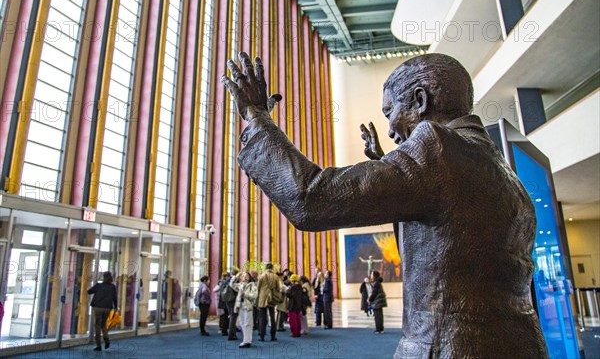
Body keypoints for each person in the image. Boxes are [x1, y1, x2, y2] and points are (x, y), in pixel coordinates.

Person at [222, 52, 548, 358]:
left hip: (451, 347)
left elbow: (309, 198)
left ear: (420, 101)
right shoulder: (504, 174)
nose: (390, 129)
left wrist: (256, 117)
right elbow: (447, 243)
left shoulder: (435, 148)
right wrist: (386, 163)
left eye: (390, 112)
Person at [87, 271, 118, 351]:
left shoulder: (99, 285)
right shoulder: (113, 287)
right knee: (103, 324)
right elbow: (115, 297)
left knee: (97, 325)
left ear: (103, 277)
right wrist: (116, 306)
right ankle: (106, 338)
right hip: (108, 307)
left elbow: (89, 292)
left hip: (98, 307)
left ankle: (98, 345)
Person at [230, 271, 258, 348]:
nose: (244, 277)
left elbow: (254, 296)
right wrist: (235, 277)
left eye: (246, 276)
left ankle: (247, 341)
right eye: (243, 276)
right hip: (240, 305)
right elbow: (231, 284)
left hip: (248, 306)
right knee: (242, 323)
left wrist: (245, 294)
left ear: (249, 278)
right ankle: (246, 340)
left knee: (248, 324)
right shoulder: (240, 285)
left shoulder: (252, 285)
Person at [256, 263, 279, 342]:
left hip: (263, 298)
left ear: (266, 268)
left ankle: (262, 336)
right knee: (272, 317)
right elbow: (278, 288)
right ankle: (273, 336)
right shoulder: (275, 276)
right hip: (271, 298)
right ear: (272, 268)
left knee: (262, 317)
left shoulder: (261, 276)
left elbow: (258, 288)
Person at [214, 272, 230, 336]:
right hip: (225, 302)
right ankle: (224, 330)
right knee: (225, 316)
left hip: (221, 301)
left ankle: (223, 329)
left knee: (223, 316)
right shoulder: (224, 283)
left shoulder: (220, 283)